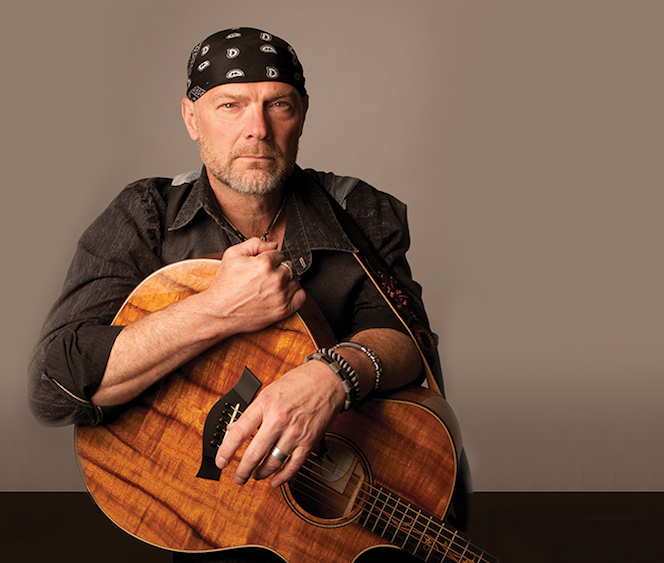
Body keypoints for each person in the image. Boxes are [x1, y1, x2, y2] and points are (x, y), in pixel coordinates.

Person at [29, 27, 449, 562]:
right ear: (190, 117)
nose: (258, 129)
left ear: (301, 116)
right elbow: (55, 386)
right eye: (231, 105)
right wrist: (219, 308)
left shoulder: (362, 212)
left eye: (279, 105)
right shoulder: (144, 217)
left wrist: (330, 376)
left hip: (340, 511)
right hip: (205, 524)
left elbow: (410, 343)